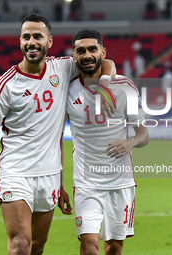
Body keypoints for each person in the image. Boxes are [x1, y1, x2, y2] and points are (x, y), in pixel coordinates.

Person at [0, 14, 116, 255]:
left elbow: (105, 62)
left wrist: (104, 82)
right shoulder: (7, 84)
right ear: (20, 42)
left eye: (37, 36)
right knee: (21, 245)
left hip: (49, 177)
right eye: (26, 37)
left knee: (37, 247)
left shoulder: (63, 68)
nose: (31, 42)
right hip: (16, 173)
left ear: (49, 41)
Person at [59, 29, 149, 255]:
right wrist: (59, 183)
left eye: (92, 49)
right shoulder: (66, 90)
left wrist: (130, 142)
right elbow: (56, 140)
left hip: (120, 183)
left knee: (115, 249)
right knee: (89, 247)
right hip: (86, 183)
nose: (87, 55)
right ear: (74, 55)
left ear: (103, 51)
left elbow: (144, 134)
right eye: (81, 51)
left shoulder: (125, 87)